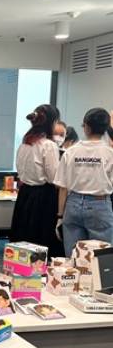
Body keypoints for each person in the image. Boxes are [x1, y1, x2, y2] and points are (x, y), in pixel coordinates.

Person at [55, 108, 113, 256]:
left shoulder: (70, 152)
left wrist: (60, 216)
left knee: (73, 256)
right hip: (100, 205)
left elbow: (63, 187)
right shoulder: (109, 153)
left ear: (86, 126)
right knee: (101, 258)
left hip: (73, 204)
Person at [10, 104, 62, 257]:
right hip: (43, 197)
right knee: (41, 239)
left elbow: (20, 170)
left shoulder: (25, 143)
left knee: (24, 235)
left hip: (25, 193)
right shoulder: (48, 145)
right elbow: (54, 177)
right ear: (52, 122)